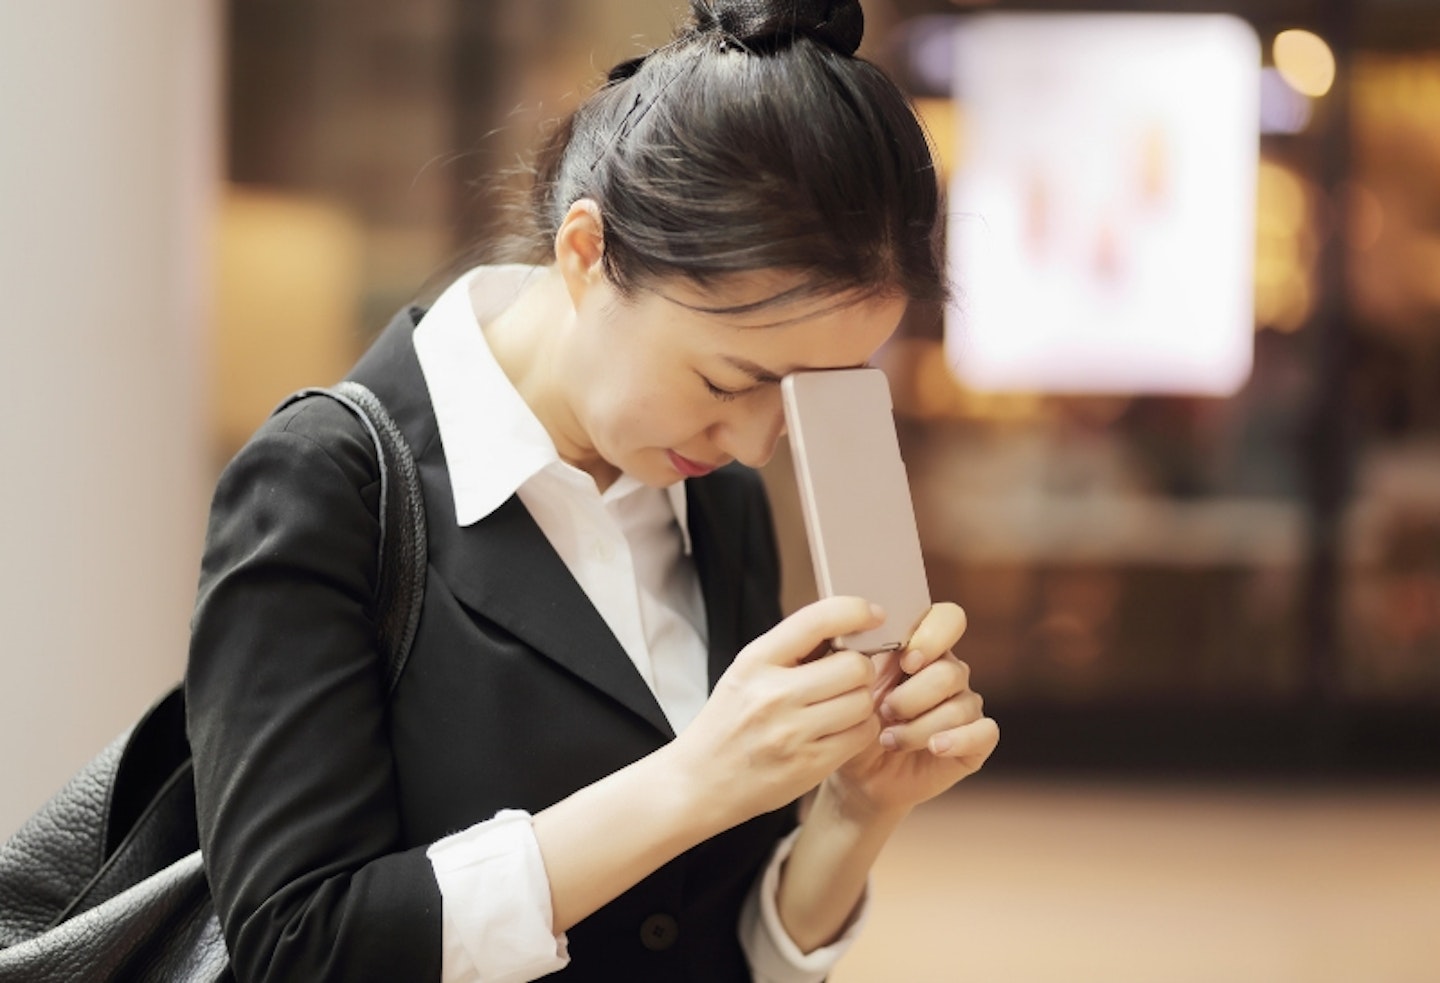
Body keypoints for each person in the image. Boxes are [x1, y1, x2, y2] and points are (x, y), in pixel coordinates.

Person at [185, 1, 1000, 980]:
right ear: (587, 252)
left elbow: (711, 947)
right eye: (729, 380)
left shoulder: (712, 498)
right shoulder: (327, 482)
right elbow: (297, 943)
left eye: (809, 398)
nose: (750, 444)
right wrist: (690, 783)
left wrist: (861, 806)